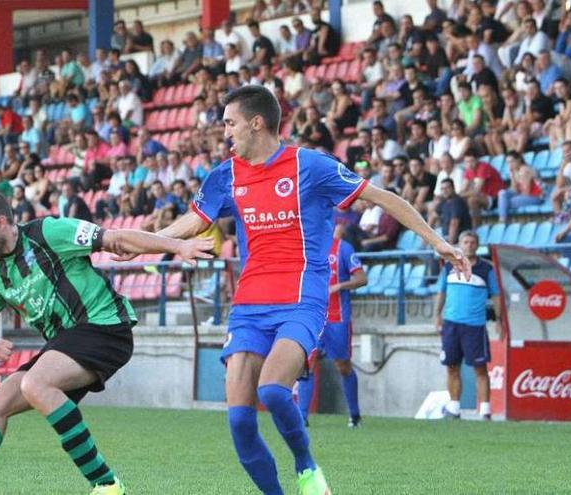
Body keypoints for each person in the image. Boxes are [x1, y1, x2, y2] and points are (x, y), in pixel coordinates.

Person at [112, 85, 468, 494]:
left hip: (302, 300)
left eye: (230, 123)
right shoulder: (225, 176)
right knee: (240, 421)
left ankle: (306, 465)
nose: (224, 132)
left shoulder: (310, 166)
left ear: (256, 122)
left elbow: (384, 198)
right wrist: (145, 242)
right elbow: (187, 226)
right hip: (248, 305)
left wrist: (437, 241)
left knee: (273, 390)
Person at [0, 188, 214, 495]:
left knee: (35, 384)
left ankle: (106, 484)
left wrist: (177, 247)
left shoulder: (47, 233)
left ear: (0, 222)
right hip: (65, 342)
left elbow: (113, 238)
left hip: (105, 327)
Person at [295, 224, 367, 428]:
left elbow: (362, 279)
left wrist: (339, 286)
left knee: (342, 365)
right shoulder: (307, 247)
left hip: (337, 318)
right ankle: (302, 417)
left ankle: (355, 415)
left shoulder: (343, 248)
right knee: (307, 363)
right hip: (313, 317)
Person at [435, 230, 501, 421]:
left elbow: (496, 296)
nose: (469, 245)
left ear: (477, 245)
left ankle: (485, 411)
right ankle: (454, 407)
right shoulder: (448, 267)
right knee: (452, 366)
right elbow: (441, 293)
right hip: (451, 324)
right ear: (459, 245)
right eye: (466, 242)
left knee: (480, 368)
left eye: (473, 242)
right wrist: (437, 315)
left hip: (475, 325)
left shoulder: (486, 269)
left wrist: (500, 320)